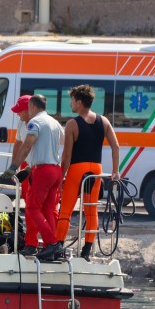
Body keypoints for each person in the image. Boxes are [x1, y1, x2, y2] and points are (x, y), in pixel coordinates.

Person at [56, 84, 121, 260]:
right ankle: (87, 251)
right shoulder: (104, 121)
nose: (70, 104)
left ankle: (58, 247)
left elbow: (67, 155)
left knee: (66, 210)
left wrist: (61, 176)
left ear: (78, 102)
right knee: (91, 211)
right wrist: (115, 171)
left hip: (78, 168)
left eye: (72, 101)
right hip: (96, 170)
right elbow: (116, 146)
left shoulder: (72, 124)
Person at [2, 94, 64, 260]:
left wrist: (14, 166)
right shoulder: (55, 123)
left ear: (33, 107)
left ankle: (51, 243)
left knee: (32, 208)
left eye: (28, 108)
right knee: (48, 211)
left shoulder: (34, 122)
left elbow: (27, 145)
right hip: (55, 170)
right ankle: (53, 247)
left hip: (42, 170)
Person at [9, 94, 36, 250]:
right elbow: (18, 144)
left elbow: (26, 147)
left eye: (20, 111)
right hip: (26, 164)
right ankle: (30, 238)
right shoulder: (22, 123)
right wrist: (14, 167)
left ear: (29, 109)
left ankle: (38, 240)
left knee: (36, 205)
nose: (18, 114)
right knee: (28, 202)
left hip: (36, 165)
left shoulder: (37, 124)